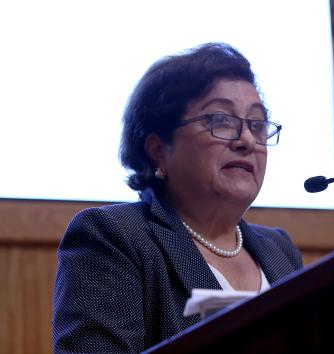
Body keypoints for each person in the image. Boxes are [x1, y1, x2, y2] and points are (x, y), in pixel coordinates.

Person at [52, 42, 303, 353]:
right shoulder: (114, 238)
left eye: (256, 124)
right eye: (221, 120)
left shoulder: (279, 250)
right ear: (158, 150)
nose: (247, 141)